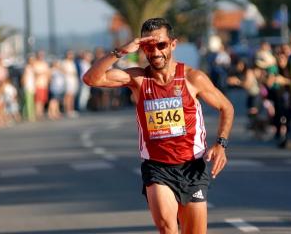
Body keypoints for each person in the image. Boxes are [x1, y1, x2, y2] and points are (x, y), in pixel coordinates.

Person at [83, 18, 234, 234]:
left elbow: (226, 107)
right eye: (148, 47)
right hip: (157, 167)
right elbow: (91, 79)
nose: (155, 52)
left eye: (161, 45)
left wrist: (221, 144)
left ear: (173, 44)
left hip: (192, 167)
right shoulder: (138, 79)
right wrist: (121, 52)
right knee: (167, 227)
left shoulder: (193, 78)